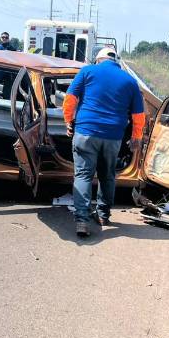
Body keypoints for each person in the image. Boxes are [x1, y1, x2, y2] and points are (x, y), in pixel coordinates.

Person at [62, 48, 145, 237]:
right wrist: (136, 137)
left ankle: (82, 220)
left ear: (99, 60)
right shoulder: (130, 81)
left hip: (85, 132)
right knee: (107, 176)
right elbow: (139, 115)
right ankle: (103, 216)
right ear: (116, 61)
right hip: (113, 136)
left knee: (83, 175)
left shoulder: (87, 71)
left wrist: (68, 120)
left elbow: (70, 99)